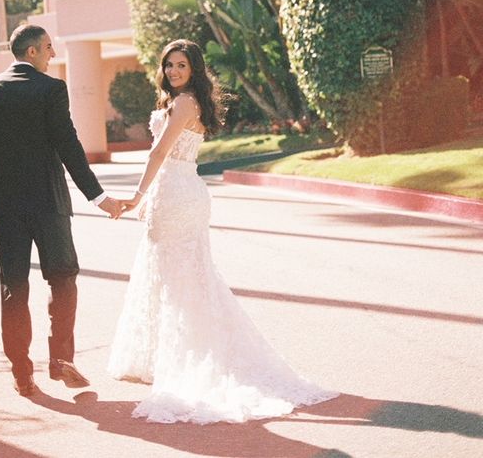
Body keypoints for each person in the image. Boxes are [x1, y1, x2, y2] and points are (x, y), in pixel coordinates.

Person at [109, 39, 337, 423]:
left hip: (177, 197)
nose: (173, 71)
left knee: (181, 281)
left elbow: (160, 152)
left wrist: (137, 195)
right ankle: (176, 355)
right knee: (184, 278)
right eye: (169, 65)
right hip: (180, 192)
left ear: (194, 69)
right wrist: (150, 197)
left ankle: (197, 360)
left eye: (181, 65)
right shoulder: (184, 101)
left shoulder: (184, 103)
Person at [0, 23, 123, 398]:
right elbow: (68, 145)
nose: (53, 54)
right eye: (49, 47)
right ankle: (61, 360)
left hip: (4, 207)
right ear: (32, 51)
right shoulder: (51, 89)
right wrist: (98, 196)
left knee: (14, 284)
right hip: (49, 203)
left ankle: (22, 373)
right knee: (63, 278)